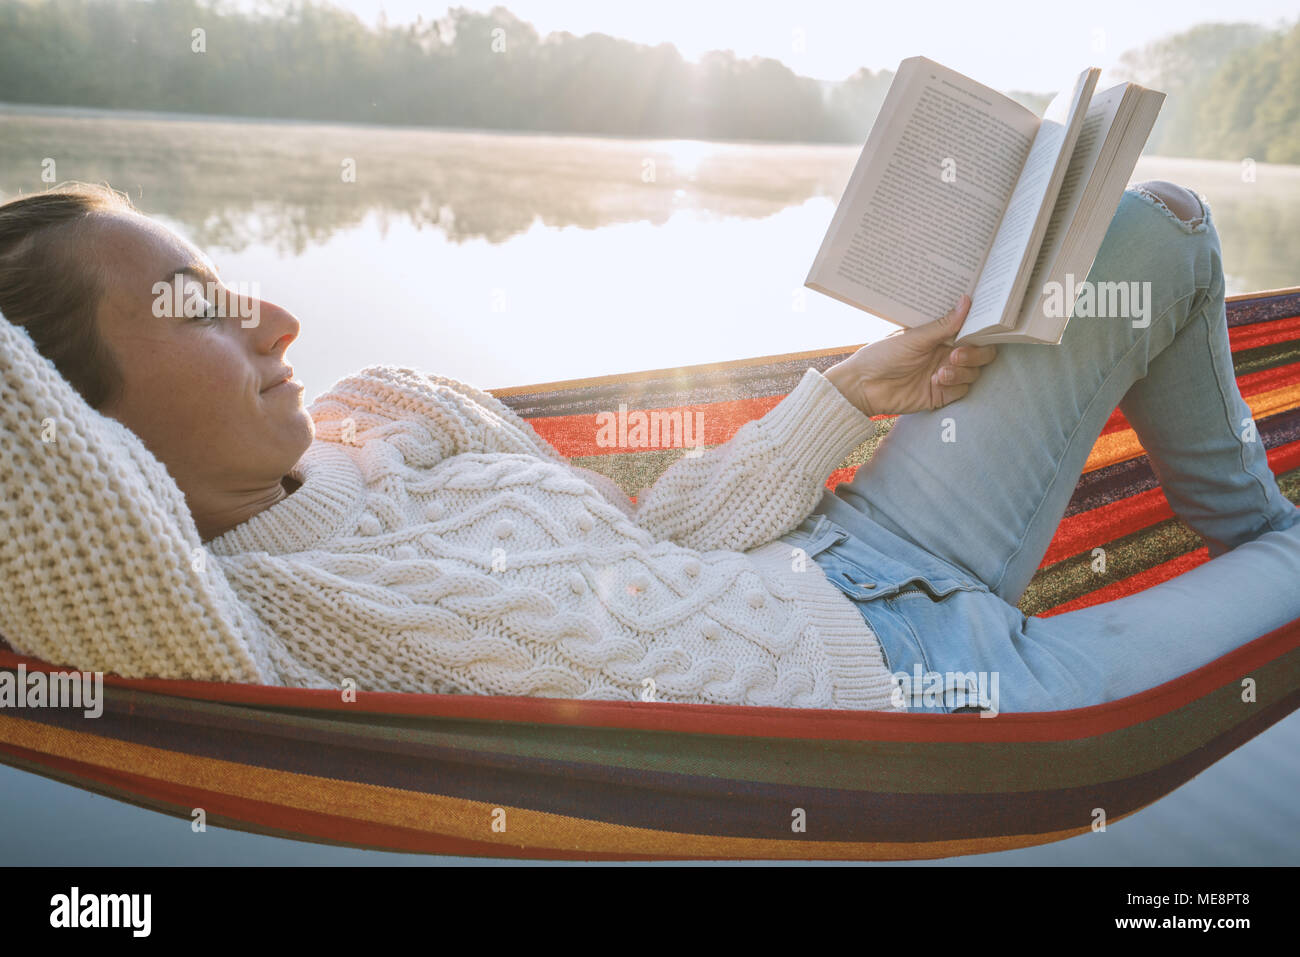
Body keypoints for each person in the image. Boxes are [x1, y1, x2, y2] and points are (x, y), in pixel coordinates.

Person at [0, 180, 1295, 714]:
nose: (275, 317)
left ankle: (1250, 523)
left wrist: (846, 390)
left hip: (861, 545)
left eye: (233, 283)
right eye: (199, 311)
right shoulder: (231, 622)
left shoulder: (386, 414)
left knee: (1154, 226)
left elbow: (652, 533)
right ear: (81, 432)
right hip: (955, 697)